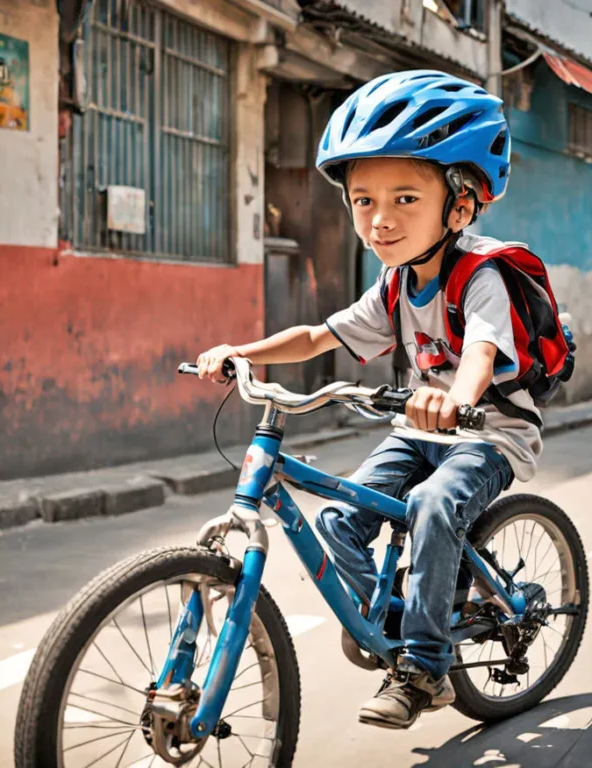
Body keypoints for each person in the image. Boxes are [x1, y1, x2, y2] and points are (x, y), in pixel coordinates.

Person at [196, 70, 545, 729]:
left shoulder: (481, 275)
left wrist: (454, 401)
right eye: (363, 201)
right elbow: (316, 336)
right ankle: (402, 620)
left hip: (487, 432)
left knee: (433, 504)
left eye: (406, 198)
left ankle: (423, 669)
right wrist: (243, 352)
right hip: (420, 430)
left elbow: (482, 352)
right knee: (336, 520)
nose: (380, 220)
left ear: (462, 206)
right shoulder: (392, 285)